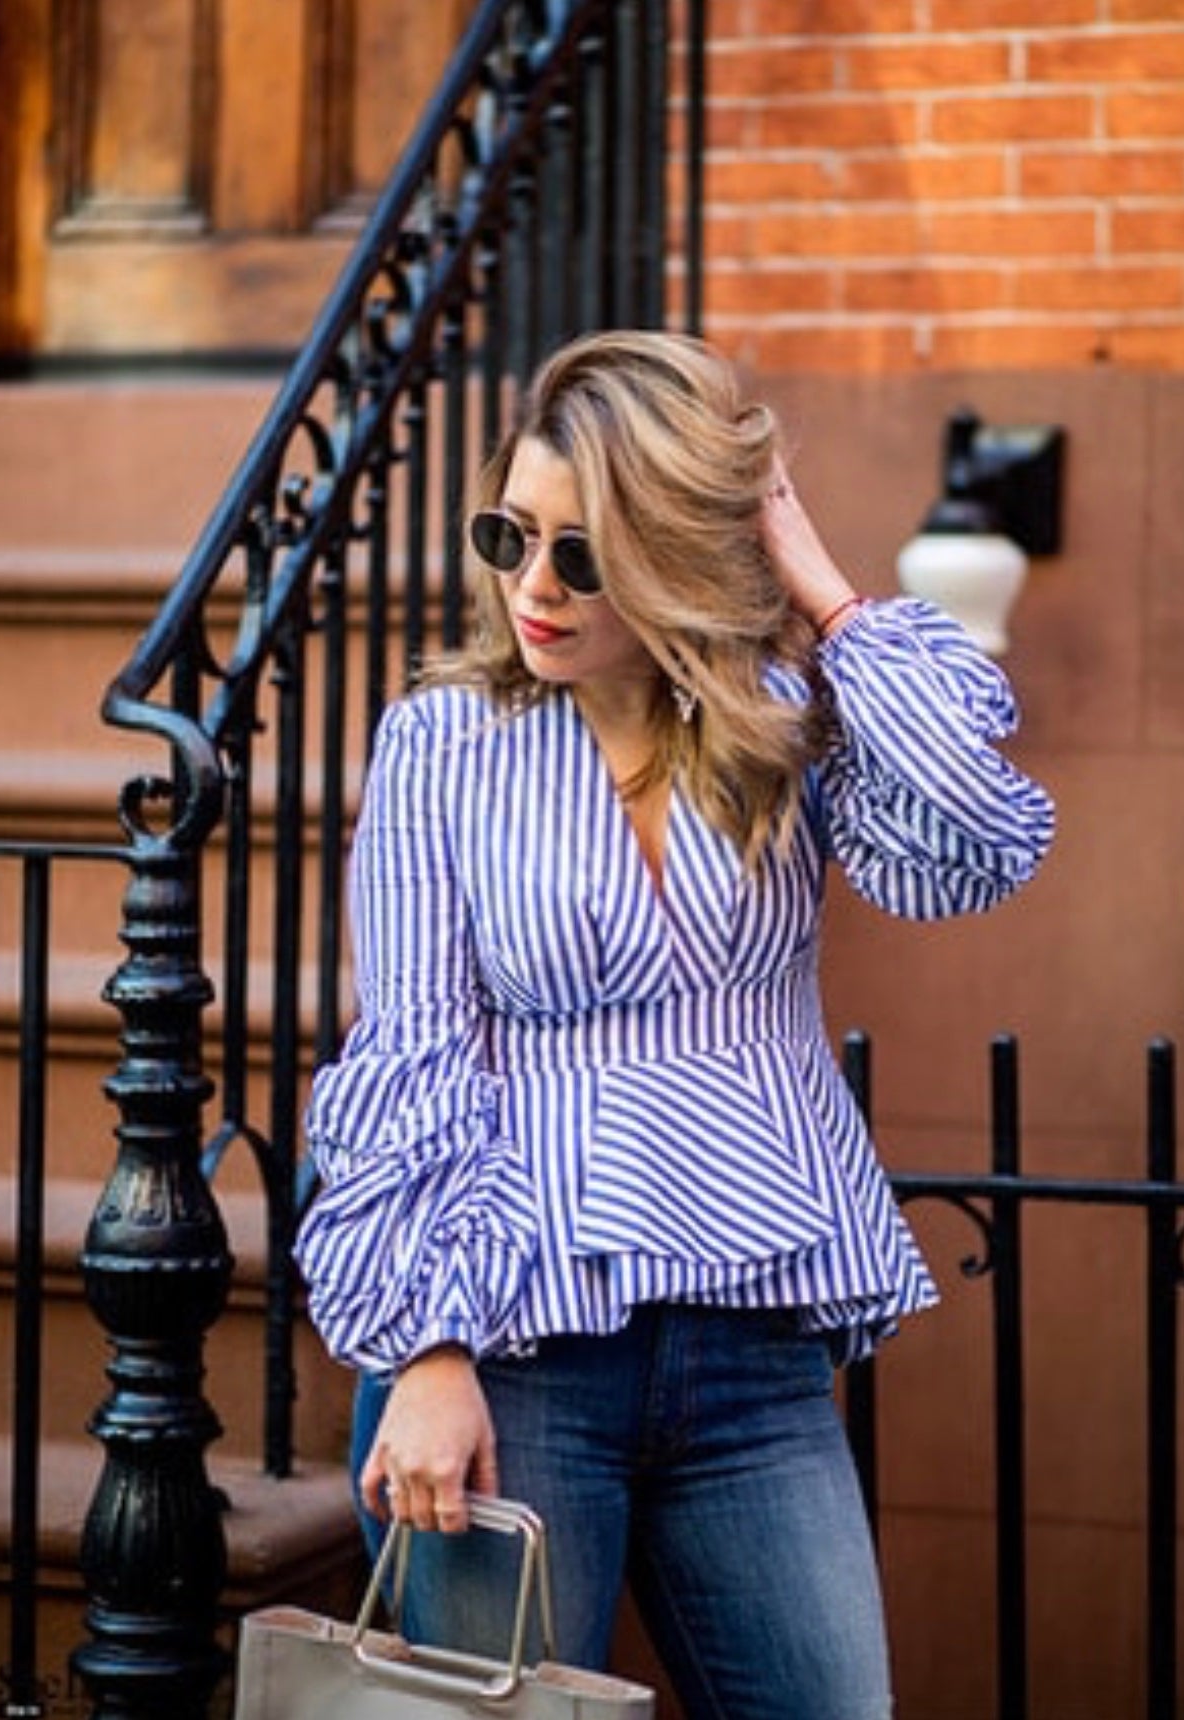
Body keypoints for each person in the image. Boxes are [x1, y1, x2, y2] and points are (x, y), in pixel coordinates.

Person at [295, 328, 1054, 1719]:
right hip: (516, 1349)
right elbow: (411, 1052)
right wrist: (426, 1354)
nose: (531, 586)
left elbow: (979, 835)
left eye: (583, 555)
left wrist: (817, 587)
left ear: (672, 552)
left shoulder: (779, 719)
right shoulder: (444, 743)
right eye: (507, 535)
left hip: (751, 1360)